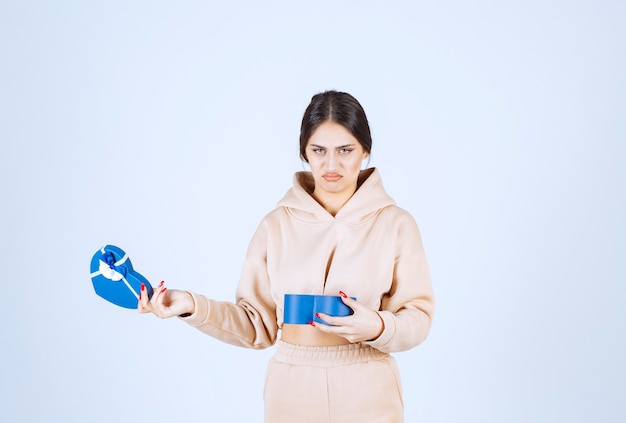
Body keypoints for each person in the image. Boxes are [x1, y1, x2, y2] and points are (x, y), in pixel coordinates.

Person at [138, 90, 435, 422]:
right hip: (292, 389)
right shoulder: (275, 225)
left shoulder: (396, 224)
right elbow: (255, 326)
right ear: (304, 153)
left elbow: (418, 318)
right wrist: (192, 305)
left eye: (345, 150)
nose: (331, 164)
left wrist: (378, 325)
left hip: (368, 385)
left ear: (365, 150)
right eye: (318, 150)